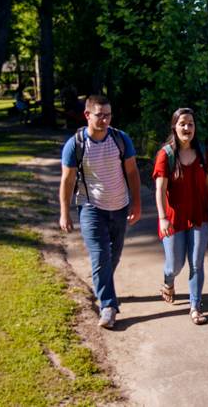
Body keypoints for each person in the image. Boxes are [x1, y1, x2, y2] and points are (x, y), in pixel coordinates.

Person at [58, 95, 142, 329]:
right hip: (91, 208)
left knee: (112, 257)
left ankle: (101, 281)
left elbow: (133, 172)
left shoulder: (120, 139)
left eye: (108, 115)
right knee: (101, 255)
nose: (104, 119)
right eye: (99, 115)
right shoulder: (75, 145)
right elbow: (67, 180)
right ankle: (108, 306)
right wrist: (64, 212)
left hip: (120, 205)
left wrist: (136, 204)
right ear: (87, 115)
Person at [152, 108, 208, 325]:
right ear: (175, 126)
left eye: (190, 124)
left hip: (200, 215)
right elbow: (160, 190)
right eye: (182, 124)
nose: (187, 128)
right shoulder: (166, 155)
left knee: (197, 263)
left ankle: (195, 306)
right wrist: (162, 218)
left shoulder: (203, 152)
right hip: (174, 218)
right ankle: (168, 281)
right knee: (175, 265)